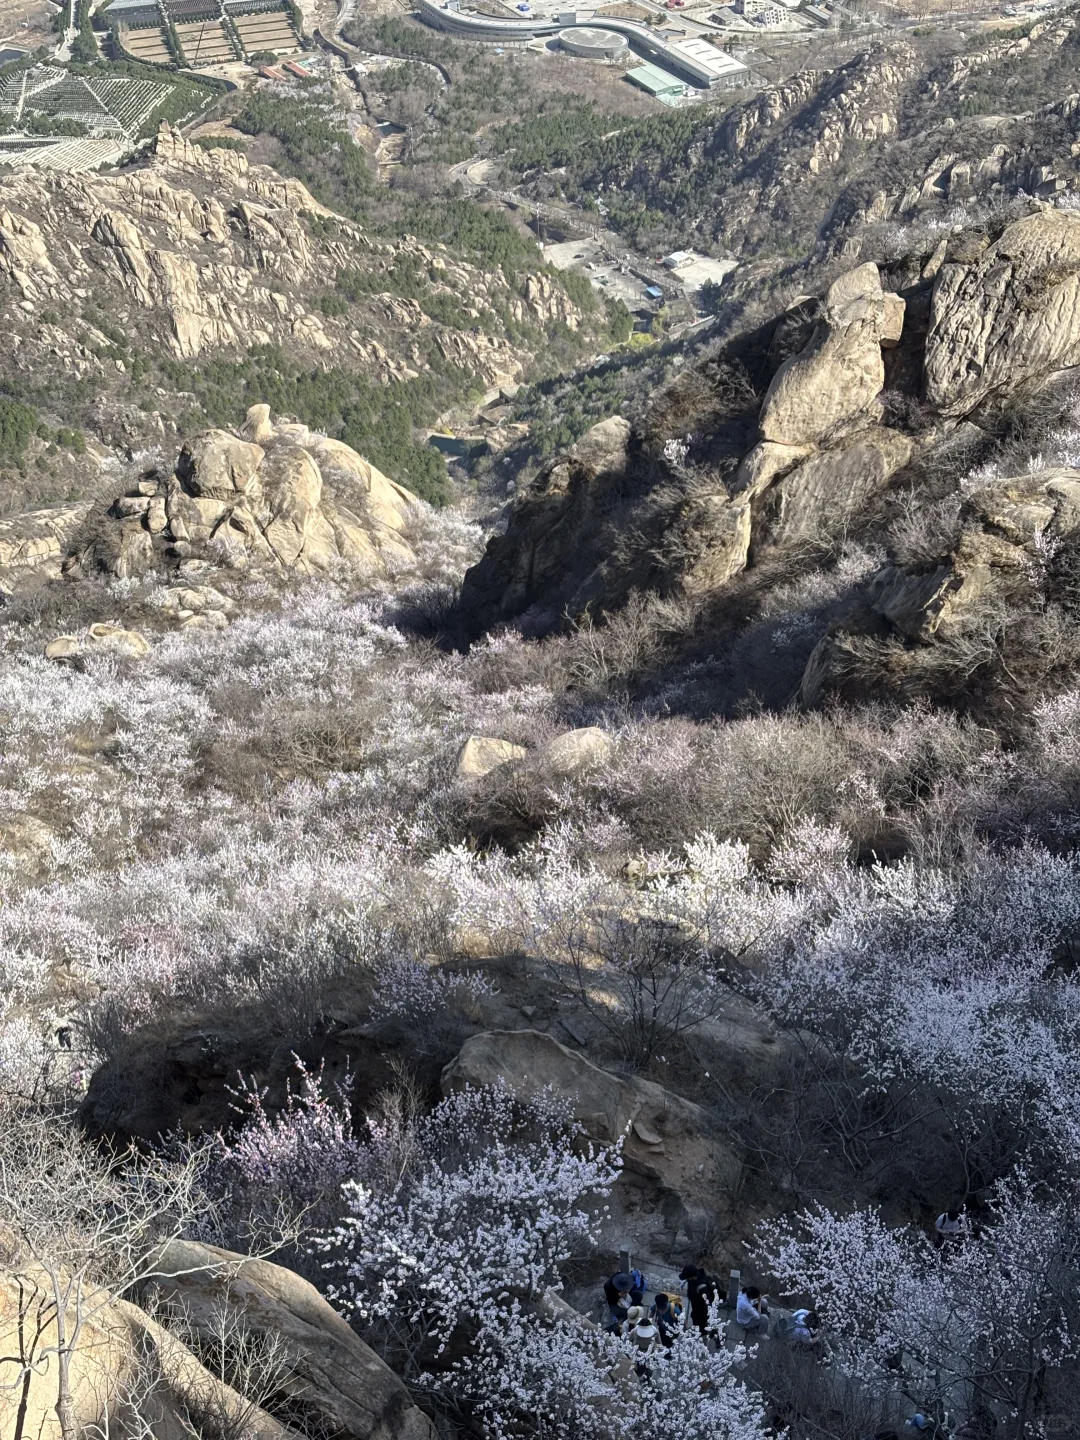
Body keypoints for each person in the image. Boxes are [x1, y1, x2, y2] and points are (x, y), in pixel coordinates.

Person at [679, 1264, 719, 1335]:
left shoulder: (702, 1287)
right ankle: (699, 1330)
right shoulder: (692, 1278)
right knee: (695, 1318)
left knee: (703, 1325)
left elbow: (707, 1302)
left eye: (687, 1278)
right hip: (695, 1305)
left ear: (692, 1277)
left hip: (702, 1309)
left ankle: (713, 1335)